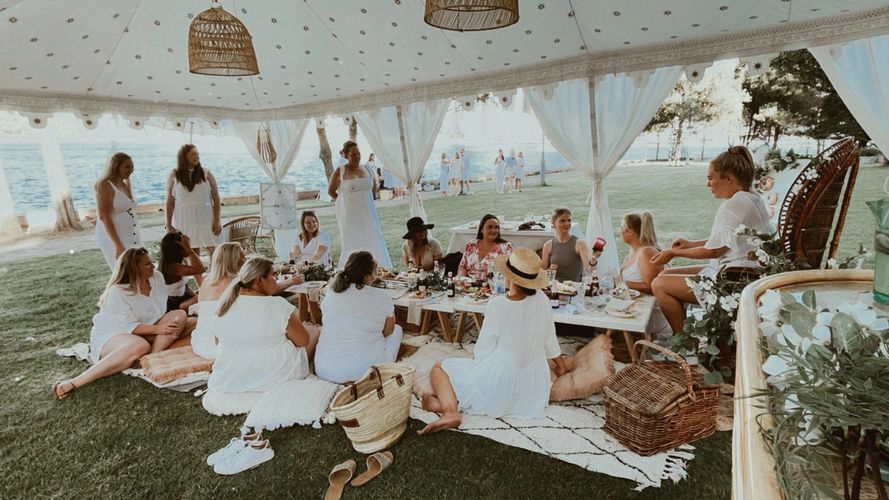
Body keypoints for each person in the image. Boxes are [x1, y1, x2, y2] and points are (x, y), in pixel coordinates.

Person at [418, 248, 567, 434]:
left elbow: (483, 349)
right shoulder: (543, 300)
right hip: (533, 385)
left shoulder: (498, 305)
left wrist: (478, 368)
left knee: (440, 367)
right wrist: (561, 367)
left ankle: (450, 411)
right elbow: (550, 341)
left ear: (510, 278)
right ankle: (450, 403)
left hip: (502, 382)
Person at [650, 146, 771, 334]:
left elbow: (714, 251)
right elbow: (726, 240)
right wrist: (691, 244)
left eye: (710, 178)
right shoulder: (751, 198)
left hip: (734, 278)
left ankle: (682, 343)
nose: (708, 184)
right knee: (665, 275)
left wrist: (673, 252)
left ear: (729, 178)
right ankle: (690, 332)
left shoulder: (733, 205)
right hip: (740, 270)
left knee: (659, 285)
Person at [52, 248, 187, 400]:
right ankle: (75, 382)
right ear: (134, 269)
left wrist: (160, 327)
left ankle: (152, 358)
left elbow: (160, 309)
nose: (153, 266)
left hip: (150, 328)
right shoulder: (118, 292)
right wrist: (159, 329)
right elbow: (128, 326)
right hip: (114, 334)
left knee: (179, 316)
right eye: (147, 264)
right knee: (140, 345)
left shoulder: (157, 278)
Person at [205, 256, 319, 399]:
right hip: (274, 370)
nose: (276, 279)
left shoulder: (223, 306)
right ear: (259, 280)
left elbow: (218, 343)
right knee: (313, 331)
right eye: (273, 274)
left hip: (232, 372)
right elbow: (303, 341)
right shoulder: (277, 305)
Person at [314, 251, 403, 384]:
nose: (378, 273)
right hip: (364, 373)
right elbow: (387, 331)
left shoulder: (331, 291)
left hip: (325, 370)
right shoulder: (381, 296)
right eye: (376, 270)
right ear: (367, 277)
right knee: (397, 329)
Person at [327, 140, 393, 269]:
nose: (357, 156)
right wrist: (343, 202)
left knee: (373, 238)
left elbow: (373, 187)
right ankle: (352, 269)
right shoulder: (339, 171)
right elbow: (331, 191)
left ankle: (378, 268)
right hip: (350, 216)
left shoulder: (367, 168)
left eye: (358, 153)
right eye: (353, 154)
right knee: (353, 242)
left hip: (368, 212)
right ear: (345, 155)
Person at [618, 212, 671, 336]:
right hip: (635, 309)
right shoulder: (634, 251)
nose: (619, 231)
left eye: (621, 227)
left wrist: (623, 283)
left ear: (630, 231)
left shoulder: (647, 252)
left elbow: (654, 287)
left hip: (648, 317)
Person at [165, 144, 222, 258]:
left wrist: (217, 220)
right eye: (193, 154)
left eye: (198, 154)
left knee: (213, 250)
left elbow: (216, 198)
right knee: (191, 252)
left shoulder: (206, 173)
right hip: (184, 219)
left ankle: (216, 275)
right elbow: (170, 202)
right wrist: (168, 224)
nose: (197, 157)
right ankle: (198, 275)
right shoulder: (174, 175)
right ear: (184, 156)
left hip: (205, 217)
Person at [191, 242, 245, 360]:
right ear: (233, 260)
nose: (245, 260)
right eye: (242, 257)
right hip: (220, 344)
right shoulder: (237, 283)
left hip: (201, 342)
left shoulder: (206, 281)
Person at [94, 152, 142, 270]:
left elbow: (127, 205)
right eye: (127, 167)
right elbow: (104, 216)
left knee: (136, 268)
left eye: (132, 167)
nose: (131, 170)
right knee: (124, 270)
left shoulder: (123, 183)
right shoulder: (105, 185)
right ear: (116, 166)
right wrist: (118, 245)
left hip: (131, 233)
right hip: (116, 236)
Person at [540, 208, 599, 282]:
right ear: (553, 223)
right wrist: (548, 271)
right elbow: (541, 273)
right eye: (562, 221)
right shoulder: (548, 245)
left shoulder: (579, 244)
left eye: (569, 220)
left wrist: (593, 258)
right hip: (553, 289)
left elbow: (590, 270)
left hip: (573, 290)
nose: (567, 224)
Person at [158, 231, 205, 312]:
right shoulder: (172, 267)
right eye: (186, 245)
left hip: (182, 298)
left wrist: (195, 297)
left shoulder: (179, 262)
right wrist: (190, 250)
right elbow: (200, 269)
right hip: (174, 304)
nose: (189, 246)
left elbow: (185, 287)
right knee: (208, 295)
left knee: (205, 296)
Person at [458, 214, 513, 281]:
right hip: (470, 287)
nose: (494, 230)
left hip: (495, 287)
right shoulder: (471, 244)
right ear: (481, 229)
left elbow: (511, 271)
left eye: (496, 227)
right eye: (490, 227)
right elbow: (462, 266)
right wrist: (460, 278)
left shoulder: (506, 247)